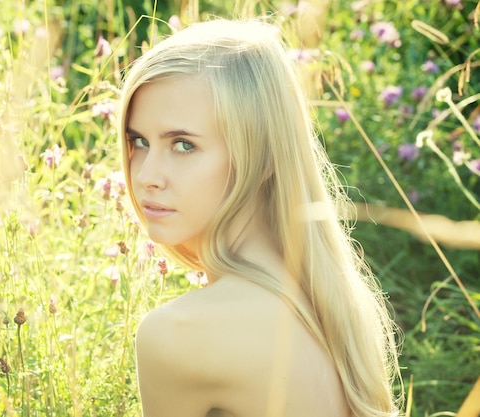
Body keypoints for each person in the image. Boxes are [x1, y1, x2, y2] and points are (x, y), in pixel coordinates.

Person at [118, 18, 401, 417]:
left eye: (183, 144)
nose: (146, 176)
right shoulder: (333, 305)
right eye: (139, 142)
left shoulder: (178, 333)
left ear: (262, 154)